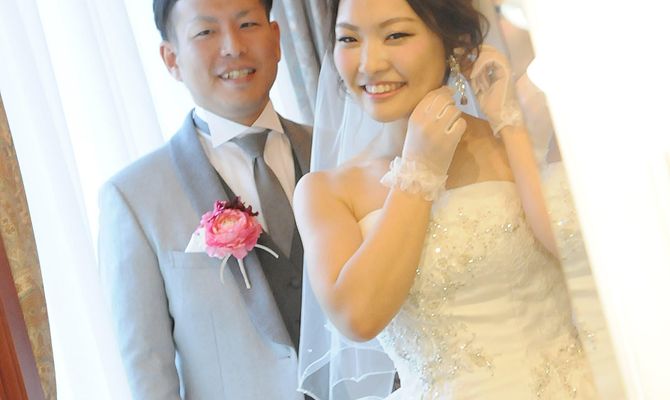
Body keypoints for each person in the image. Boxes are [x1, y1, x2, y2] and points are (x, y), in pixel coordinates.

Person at [294, 0, 603, 398]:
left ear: (453, 43)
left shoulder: (516, 140)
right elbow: (358, 317)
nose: (369, 63)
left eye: (396, 35)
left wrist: (511, 127)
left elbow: (583, 254)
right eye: (349, 39)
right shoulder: (325, 192)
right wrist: (418, 170)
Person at [98, 0, 311, 398]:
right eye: (206, 32)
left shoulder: (336, 154)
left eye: (247, 24)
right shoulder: (133, 199)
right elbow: (149, 372)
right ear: (172, 59)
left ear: (276, 38)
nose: (233, 46)